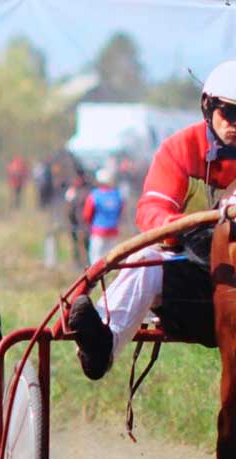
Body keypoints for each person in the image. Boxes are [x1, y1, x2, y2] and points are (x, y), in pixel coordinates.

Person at [69, 60, 236, 380]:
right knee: (145, 260)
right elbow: (151, 212)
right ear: (208, 106)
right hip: (195, 289)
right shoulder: (181, 149)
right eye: (230, 112)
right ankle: (101, 343)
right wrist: (190, 235)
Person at [83, 167, 124, 263]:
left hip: (98, 231)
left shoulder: (94, 195)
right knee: (111, 258)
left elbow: (87, 214)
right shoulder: (117, 195)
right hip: (113, 231)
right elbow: (120, 211)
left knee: (96, 258)